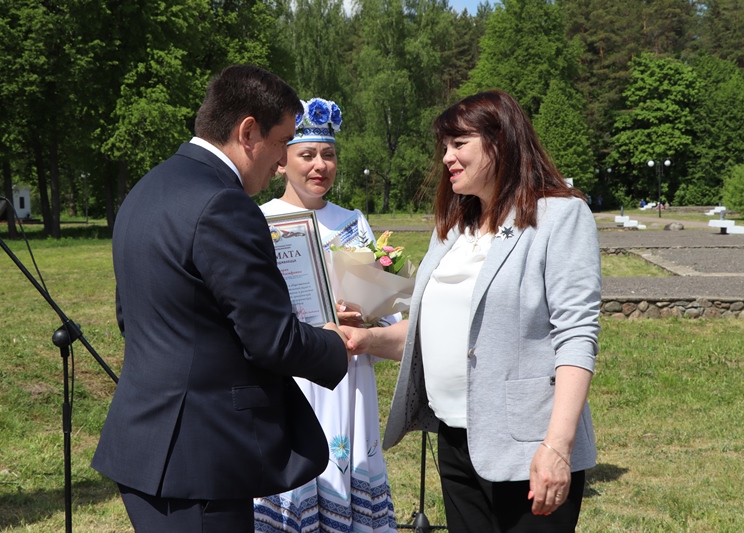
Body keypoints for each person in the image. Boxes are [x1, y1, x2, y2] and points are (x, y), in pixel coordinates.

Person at [91, 65, 351, 532]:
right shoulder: (224, 204)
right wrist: (334, 343)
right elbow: (271, 340)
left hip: (145, 445)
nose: (281, 162)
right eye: (282, 142)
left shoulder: (148, 188)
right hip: (200, 459)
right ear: (248, 132)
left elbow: (131, 317)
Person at [342, 90, 601, 533]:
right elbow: (431, 329)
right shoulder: (453, 229)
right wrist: (366, 339)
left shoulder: (560, 216)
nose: (447, 157)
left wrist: (557, 446)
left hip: (529, 446)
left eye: (459, 144)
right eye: (445, 146)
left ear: (501, 143)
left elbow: (576, 336)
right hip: (455, 439)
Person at [255, 98, 398, 532]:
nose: (320, 165)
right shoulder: (259, 220)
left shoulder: (353, 222)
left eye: (329, 154)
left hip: (347, 375)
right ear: (282, 162)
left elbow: (386, 312)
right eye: (307, 154)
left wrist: (366, 312)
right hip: (293, 371)